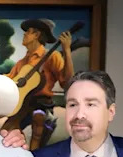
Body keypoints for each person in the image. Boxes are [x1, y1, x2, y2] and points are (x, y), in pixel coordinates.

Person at [7, 19, 74, 150]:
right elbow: (9, 79)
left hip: (41, 104)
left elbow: (67, 82)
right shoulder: (22, 62)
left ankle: (35, 155)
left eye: (28, 32)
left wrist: (66, 51)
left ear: (37, 35)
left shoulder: (52, 56)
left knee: (38, 121)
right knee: (6, 129)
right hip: (23, 105)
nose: (24, 34)